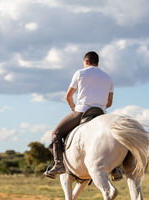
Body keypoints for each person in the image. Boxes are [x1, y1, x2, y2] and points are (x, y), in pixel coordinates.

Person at [44, 51, 122, 179]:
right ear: (97, 62)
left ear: (86, 61)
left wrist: (73, 107)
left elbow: (68, 96)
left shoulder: (80, 73)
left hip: (82, 111)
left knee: (56, 134)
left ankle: (59, 164)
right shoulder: (108, 78)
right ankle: (115, 169)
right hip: (101, 114)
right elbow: (109, 102)